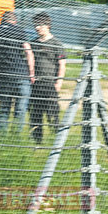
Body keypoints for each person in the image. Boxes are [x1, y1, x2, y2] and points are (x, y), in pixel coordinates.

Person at [0, 11, 35, 133]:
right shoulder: (19, 30)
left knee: (4, 107)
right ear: (14, 21)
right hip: (21, 73)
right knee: (20, 108)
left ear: (2, 20)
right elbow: (28, 51)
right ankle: (16, 134)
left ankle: (1, 134)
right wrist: (31, 72)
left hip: (3, 74)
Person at [28, 12, 66, 144]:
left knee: (53, 113)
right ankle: (37, 141)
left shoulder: (56, 43)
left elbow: (62, 64)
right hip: (36, 83)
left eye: (40, 25)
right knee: (35, 114)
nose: (37, 27)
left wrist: (59, 82)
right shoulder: (32, 43)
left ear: (47, 26)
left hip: (50, 84)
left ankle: (58, 141)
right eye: (35, 25)